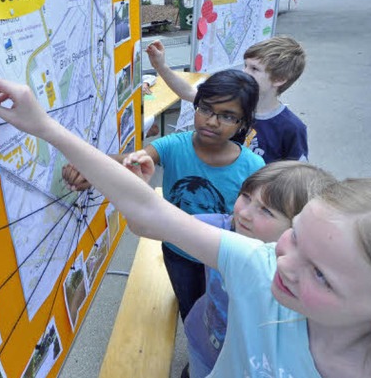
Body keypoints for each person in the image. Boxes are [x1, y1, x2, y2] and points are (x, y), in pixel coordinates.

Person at [0, 80, 371, 378]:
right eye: (295, 236)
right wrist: (46, 129)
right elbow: (146, 212)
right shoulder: (260, 265)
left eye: (321, 274)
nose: (285, 259)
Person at [64, 69, 265, 320]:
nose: (212, 121)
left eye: (227, 116)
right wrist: (88, 167)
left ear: (243, 123)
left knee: (224, 315)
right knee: (190, 309)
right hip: (177, 253)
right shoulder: (173, 145)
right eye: (205, 109)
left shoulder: (253, 166)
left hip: (222, 259)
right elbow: (131, 162)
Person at [182, 161, 335, 378]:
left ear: (298, 228)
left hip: (254, 363)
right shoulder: (223, 229)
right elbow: (161, 221)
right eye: (246, 196)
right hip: (203, 342)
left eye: (266, 210)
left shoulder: (294, 277)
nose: (244, 213)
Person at [146, 36, 307, 163]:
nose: (245, 72)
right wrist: (160, 66)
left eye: (254, 69)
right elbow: (188, 92)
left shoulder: (292, 128)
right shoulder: (231, 102)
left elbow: (297, 176)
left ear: (279, 79)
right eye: (246, 65)